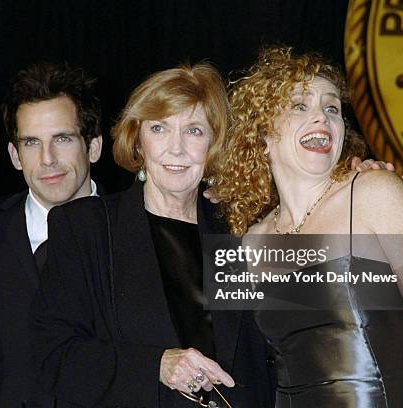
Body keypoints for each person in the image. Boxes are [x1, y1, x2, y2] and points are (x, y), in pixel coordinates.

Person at [212, 46, 403, 407]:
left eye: (332, 108)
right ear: (262, 134)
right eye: (300, 105)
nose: (322, 118)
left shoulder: (376, 193)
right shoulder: (250, 241)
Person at [30, 63, 274, 408]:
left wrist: (354, 187)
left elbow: (311, 318)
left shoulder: (237, 228)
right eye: (159, 128)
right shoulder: (86, 227)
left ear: (215, 144)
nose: (176, 149)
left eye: (194, 131)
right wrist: (156, 365)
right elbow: (54, 356)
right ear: (138, 140)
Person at [0, 62, 103, 407]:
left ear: (93, 146)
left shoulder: (137, 231)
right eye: (31, 142)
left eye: (62, 139)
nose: (47, 159)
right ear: (14, 155)